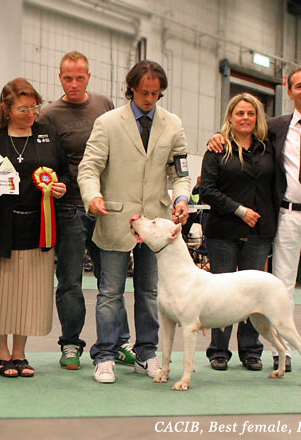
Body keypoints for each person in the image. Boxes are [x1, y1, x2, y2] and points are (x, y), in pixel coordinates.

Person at [208, 66, 301, 374]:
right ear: (289, 91)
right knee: (280, 286)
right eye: (298, 85)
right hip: (285, 215)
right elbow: (239, 131)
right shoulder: (274, 127)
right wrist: (216, 138)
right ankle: (280, 350)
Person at [78, 60, 192, 384]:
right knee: (109, 293)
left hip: (156, 225)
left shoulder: (173, 125)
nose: (149, 98)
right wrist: (92, 197)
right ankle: (104, 356)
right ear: (131, 88)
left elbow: (179, 173)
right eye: (144, 92)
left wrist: (182, 198)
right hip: (115, 218)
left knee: (150, 292)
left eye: (156, 93)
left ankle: (147, 354)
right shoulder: (108, 122)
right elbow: (89, 168)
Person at [0, 78, 69, 378]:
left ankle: (20, 354)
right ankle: (2, 353)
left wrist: (60, 187)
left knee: (29, 293)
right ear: (5, 108)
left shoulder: (48, 134)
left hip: (38, 226)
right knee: (0, 293)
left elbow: (65, 173)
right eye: (23, 108)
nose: (31, 113)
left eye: (35, 106)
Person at [37, 50, 134, 370]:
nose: (74, 83)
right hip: (68, 209)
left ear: (89, 76)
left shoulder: (105, 105)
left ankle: (119, 342)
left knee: (112, 279)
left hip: (105, 208)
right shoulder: (48, 114)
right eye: (68, 78)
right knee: (69, 280)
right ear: (59, 77)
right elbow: (45, 160)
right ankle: (70, 343)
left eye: (80, 77)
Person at [200, 93, 277, 372]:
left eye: (251, 113)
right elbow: (206, 190)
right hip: (223, 231)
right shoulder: (217, 149)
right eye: (240, 113)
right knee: (221, 294)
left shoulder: (269, 148)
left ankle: (251, 351)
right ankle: (218, 350)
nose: (245, 118)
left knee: (252, 295)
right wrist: (238, 210)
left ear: (257, 118)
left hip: (259, 234)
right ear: (230, 117)